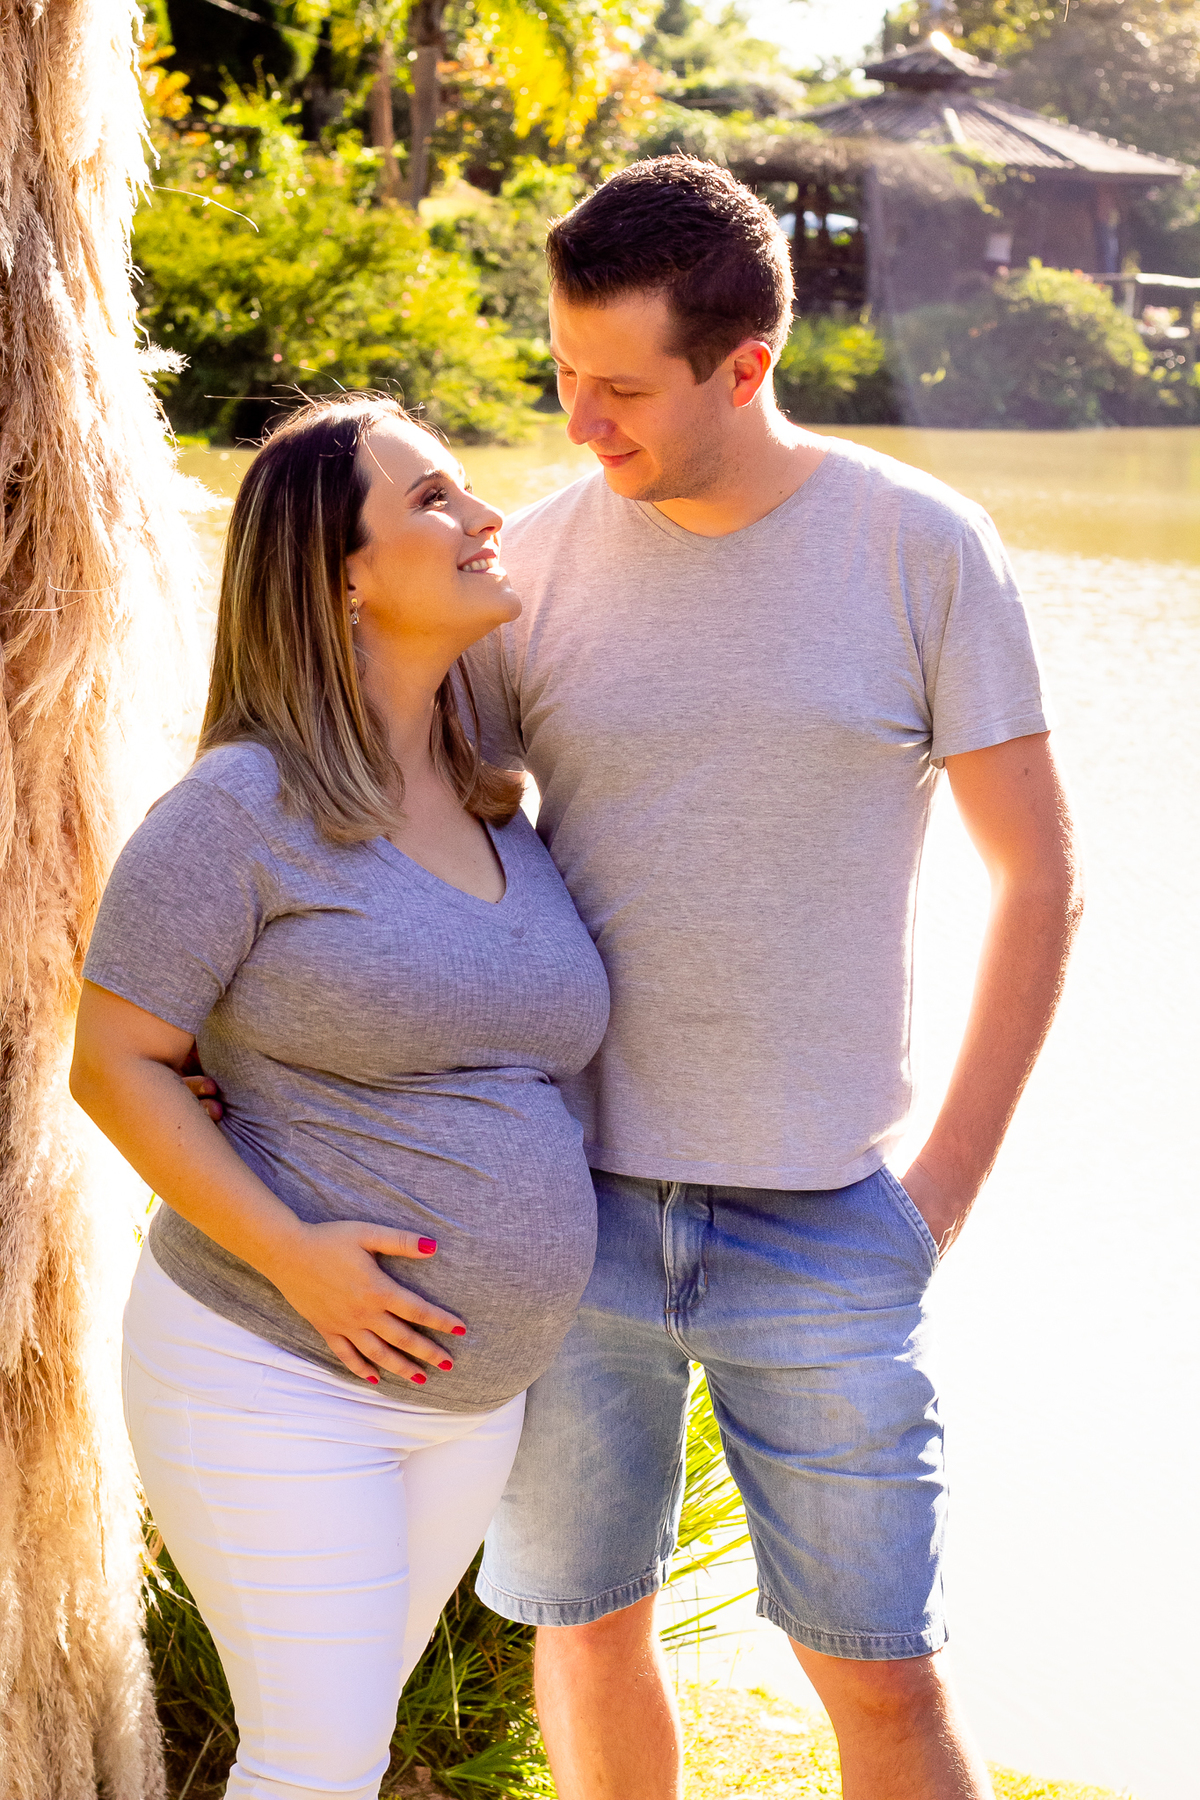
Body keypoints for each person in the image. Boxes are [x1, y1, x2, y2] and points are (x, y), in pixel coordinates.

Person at [455, 158, 1082, 1800]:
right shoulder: (525, 570)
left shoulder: (920, 549)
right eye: (563, 371)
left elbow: (1039, 879)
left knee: (882, 1683)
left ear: (746, 367)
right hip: (570, 1208)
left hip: (827, 1224)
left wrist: (940, 1194)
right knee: (588, 1632)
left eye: (621, 389)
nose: (578, 420)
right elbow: (404, 844)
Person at [69, 397, 610, 1800]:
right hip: (270, 1367)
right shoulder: (237, 811)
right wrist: (296, 1254)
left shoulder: (492, 803)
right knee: (312, 1763)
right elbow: (112, 1061)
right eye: (433, 499)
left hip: (461, 1401)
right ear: (342, 576)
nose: (485, 517)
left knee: (341, 1757)